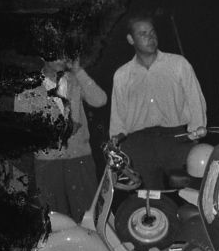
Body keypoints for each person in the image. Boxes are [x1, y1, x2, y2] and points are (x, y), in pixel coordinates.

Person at [109, 14, 207, 189]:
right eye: (143, 34)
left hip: (176, 139)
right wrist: (116, 145)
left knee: (191, 192)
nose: (150, 37)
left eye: (153, 32)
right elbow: (118, 116)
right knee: (150, 202)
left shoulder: (178, 64)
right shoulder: (122, 75)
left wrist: (196, 130)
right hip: (139, 144)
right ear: (131, 39)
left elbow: (195, 99)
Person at [14, 57, 107, 219]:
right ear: (43, 56)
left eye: (64, 53)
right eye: (55, 53)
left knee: (89, 216)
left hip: (80, 157)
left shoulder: (75, 79)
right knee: (55, 218)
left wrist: (79, 71)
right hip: (47, 161)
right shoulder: (30, 85)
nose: (62, 58)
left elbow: (100, 100)